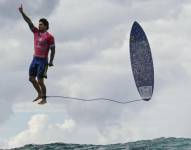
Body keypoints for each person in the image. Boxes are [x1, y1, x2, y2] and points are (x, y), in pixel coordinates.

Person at [18, 4, 55, 104]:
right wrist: (22, 13)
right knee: (31, 78)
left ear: (46, 26)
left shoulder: (49, 37)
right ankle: (39, 94)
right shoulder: (35, 32)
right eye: (39, 24)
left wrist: (51, 61)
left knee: (40, 81)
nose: (39, 26)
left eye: (41, 24)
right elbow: (29, 22)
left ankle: (44, 99)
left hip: (43, 61)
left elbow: (53, 50)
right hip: (35, 59)